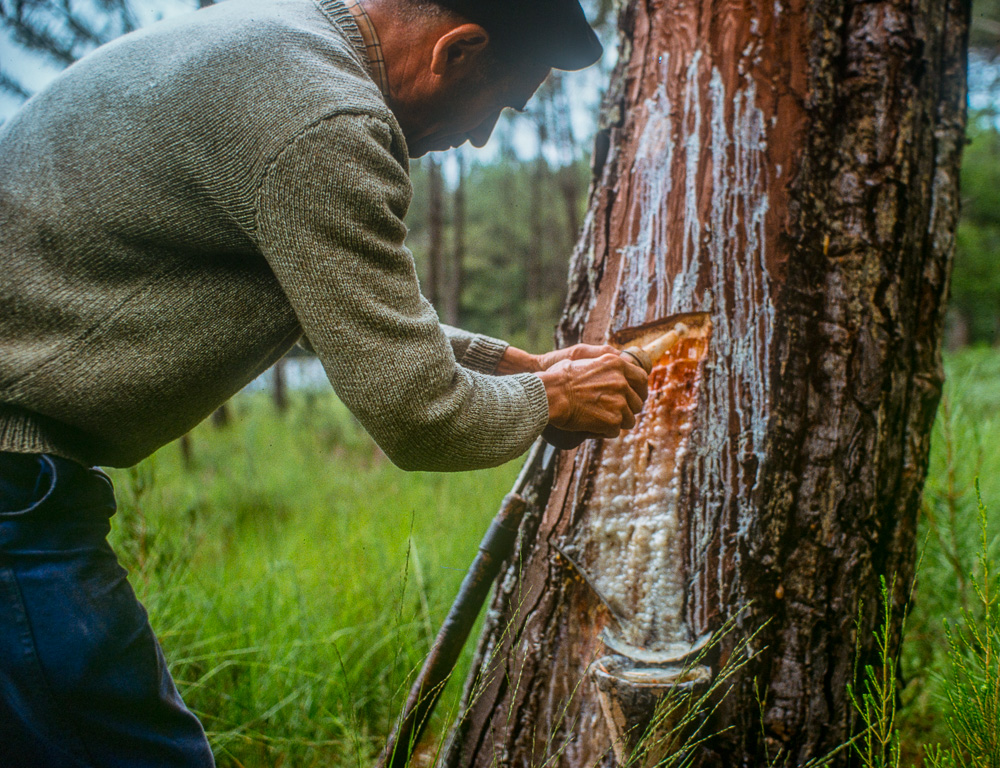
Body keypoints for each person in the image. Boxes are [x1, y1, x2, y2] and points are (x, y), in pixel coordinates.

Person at [0, 0, 647, 763]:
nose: (480, 136)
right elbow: (420, 414)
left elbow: (339, 310)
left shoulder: (280, 44)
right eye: (498, 106)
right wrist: (555, 400)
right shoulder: (326, 117)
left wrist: (525, 368)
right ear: (459, 50)